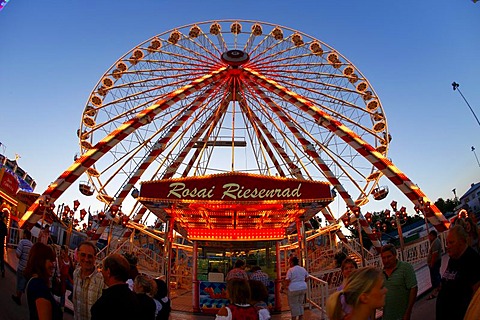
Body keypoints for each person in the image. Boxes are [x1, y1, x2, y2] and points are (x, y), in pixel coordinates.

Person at [436, 225, 480, 320]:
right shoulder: (453, 259)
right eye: (447, 243)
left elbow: (476, 295)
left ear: (462, 241)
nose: (448, 246)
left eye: (451, 242)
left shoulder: (472, 260)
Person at [91, 253, 140, 320]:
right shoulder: (134, 299)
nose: (101, 271)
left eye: (103, 268)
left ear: (108, 272)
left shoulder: (104, 304)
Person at [24, 242, 63, 320]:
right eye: (50, 261)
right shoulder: (39, 288)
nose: (53, 265)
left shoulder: (34, 282)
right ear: (41, 261)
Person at [380, 244, 417, 320]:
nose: (386, 260)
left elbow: (413, 289)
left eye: (389, 257)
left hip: (402, 315)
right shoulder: (380, 274)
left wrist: (408, 312)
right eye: (383, 258)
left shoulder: (406, 268)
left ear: (395, 255)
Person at [72, 241, 104, 320]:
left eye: (90, 256)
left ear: (95, 258)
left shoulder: (101, 281)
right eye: (83, 255)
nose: (86, 259)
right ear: (78, 255)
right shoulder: (76, 274)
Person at [12, 229, 33, 305]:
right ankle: (19, 296)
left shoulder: (22, 242)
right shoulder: (31, 245)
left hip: (21, 266)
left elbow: (18, 254)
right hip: (26, 267)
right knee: (23, 282)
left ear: (25, 235)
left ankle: (18, 297)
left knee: (19, 282)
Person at [426, 230, 442, 300]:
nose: (429, 237)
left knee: (435, 276)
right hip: (435, 262)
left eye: (429, 236)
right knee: (436, 274)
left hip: (435, 262)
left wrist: (432, 263)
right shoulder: (435, 242)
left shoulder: (435, 243)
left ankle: (437, 289)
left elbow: (434, 254)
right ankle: (439, 288)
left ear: (433, 235)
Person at [58, 245, 74, 310]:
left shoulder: (69, 258)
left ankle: (70, 297)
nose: (63, 251)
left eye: (64, 250)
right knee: (63, 292)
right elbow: (60, 267)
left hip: (68, 277)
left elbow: (72, 268)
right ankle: (62, 307)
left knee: (73, 288)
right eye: (62, 250)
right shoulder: (60, 257)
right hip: (63, 277)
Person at [0, 208, 8, 278]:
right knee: (1, 257)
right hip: (1, 243)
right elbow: (6, 234)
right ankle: (2, 270)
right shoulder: (4, 225)